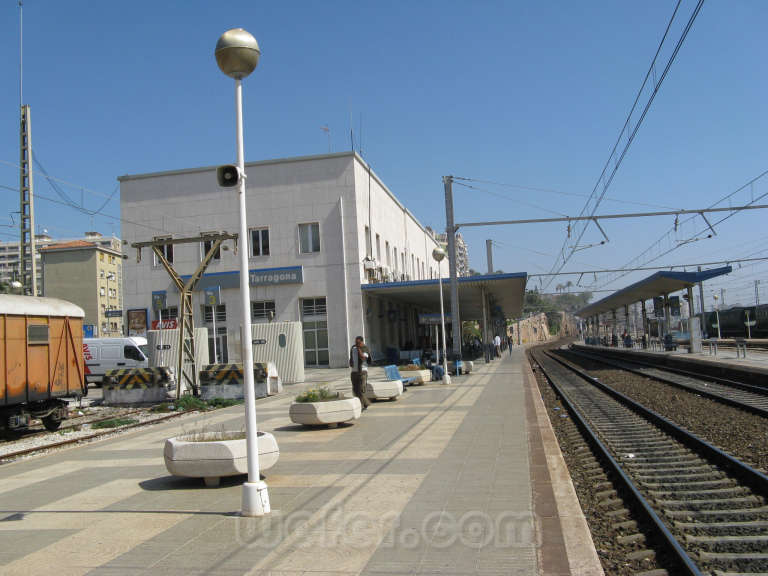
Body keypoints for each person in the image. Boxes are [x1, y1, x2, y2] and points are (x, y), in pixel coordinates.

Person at [349, 336, 371, 411]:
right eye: (355, 342)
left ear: (362, 342)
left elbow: (363, 358)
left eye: (358, 343)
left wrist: (359, 349)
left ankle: (362, 405)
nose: (356, 344)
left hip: (362, 372)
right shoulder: (353, 348)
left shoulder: (365, 348)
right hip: (354, 372)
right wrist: (351, 362)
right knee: (355, 390)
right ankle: (365, 403)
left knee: (361, 389)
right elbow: (351, 358)